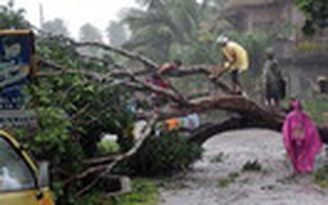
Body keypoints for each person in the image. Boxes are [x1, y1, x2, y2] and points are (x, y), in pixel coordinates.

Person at [282, 100, 322, 175]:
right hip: (301, 139)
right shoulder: (303, 116)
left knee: (296, 154)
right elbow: (311, 129)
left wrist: (287, 140)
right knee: (301, 154)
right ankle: (302, 168)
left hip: (295, 139)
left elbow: (286, 130)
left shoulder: (291, 117)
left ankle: (298, 169)